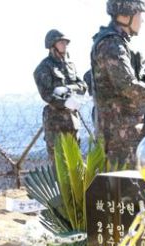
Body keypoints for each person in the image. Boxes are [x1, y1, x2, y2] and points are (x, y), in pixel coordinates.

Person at [90, 0, 145, 167]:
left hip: (126, 133)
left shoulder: (119, 43)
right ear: (125, 15)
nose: (142, 20)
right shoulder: (111, 44)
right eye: (139, 14)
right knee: (125, 189)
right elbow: (127, 85)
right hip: (119, 137)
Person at [33, 29, 88, 166]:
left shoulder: (70, 65)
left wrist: (69, 89)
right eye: (61, 42)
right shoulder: (44, 68)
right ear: (52, 45)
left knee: (75, 164)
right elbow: (46, 94)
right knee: (60, 165)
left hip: (72, 121)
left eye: (65, 42)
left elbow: (83, 86)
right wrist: (64, 102)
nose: (64, 45)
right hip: (55, 123)